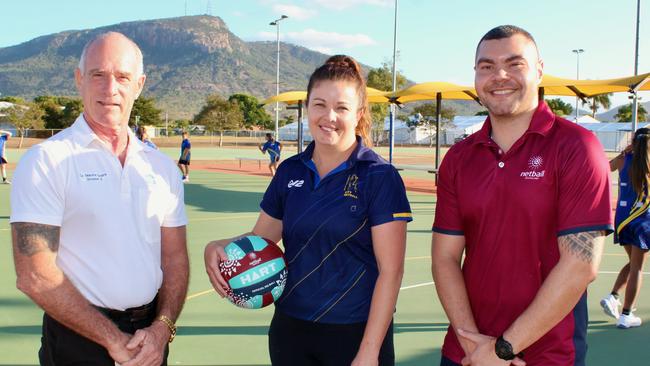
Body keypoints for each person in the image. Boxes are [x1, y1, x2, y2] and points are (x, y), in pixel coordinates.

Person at [205, 55, 412, 366]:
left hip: (355, 333)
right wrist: (218, 246)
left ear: (358, 114)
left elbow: (391, 272)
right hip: (291, 329)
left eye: (341, 107)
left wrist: (369, 351)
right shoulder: (290, 171)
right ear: (307, 109)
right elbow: (263, 238)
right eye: (319, 104)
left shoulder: (379, 177)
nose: (329, 116)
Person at [431, 25, 612, 366]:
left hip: (546, 356)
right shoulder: (459, 158)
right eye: (486, 66)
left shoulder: (577, 147)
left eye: (515, 64)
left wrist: (503, 348)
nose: (499, 75)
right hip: (466, 353)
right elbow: (444, 258)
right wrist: (473, 345)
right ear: (475, 75)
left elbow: (580, 265)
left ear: (539, 69)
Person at [10, 32, 189, 366]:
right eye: (98, 75)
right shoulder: (47, 161)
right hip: (75, 339)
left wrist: (162, 330)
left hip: (148, 340)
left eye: (122, 77)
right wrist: (112, 339)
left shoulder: (162, 168)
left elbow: (175, 258)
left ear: (139, 84)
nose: (111, 90)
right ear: (80, 80)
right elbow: (34, 274)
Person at [601, 128, 650, 329]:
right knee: (638, 267)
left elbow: (602, 168)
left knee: (633, 263)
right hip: (643, 219)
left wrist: (623, 153)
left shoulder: (624, 160)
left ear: (632, 141)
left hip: (622, 219)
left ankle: (613, 296)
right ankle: (626, 315)